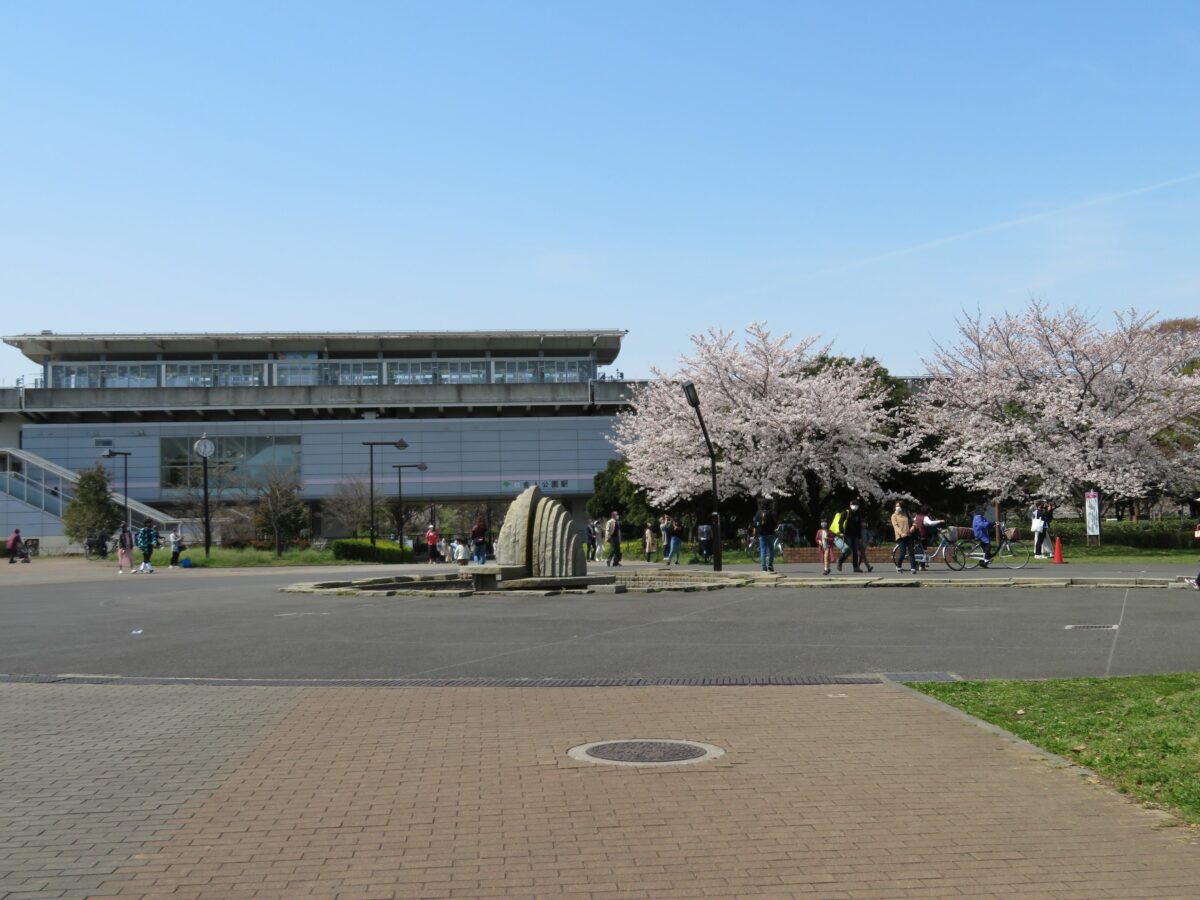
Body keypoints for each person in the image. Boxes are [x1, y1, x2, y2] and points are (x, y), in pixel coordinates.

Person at [837, 501, 872, 573]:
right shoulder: (846, 512)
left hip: (855, 535)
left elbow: (858, 526)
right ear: (850, 505)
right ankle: (840, 561)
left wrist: (859, 537)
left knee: (855, 551)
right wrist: (841, 532)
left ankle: (856, 567)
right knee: (849, 550)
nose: (854, 506)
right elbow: (840, 522)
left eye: (856, 505)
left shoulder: (858, 514)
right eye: (853, 505)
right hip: (847, 534)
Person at [891, 501, 917, 575]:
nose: (897, 507)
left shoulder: (907, 514)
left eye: (899, 506)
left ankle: (913, 568)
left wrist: (913, 527)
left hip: (909, 535)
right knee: (903, 553)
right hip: (901, 536)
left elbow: (914, 522)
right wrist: (901, 533)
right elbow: (895, 526)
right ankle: (899, 566)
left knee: (911, 552)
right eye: (896, 506)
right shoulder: (894, 516)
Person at [753, 501, 778, 573]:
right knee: (771, 549)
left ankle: (764, 567)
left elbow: (755, 525)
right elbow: (774, 523)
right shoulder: (770, 513)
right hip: (770, 534)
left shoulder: (758, 513)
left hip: (761, 534)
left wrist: (755, 535)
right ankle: (770, 564)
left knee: (763, 550)